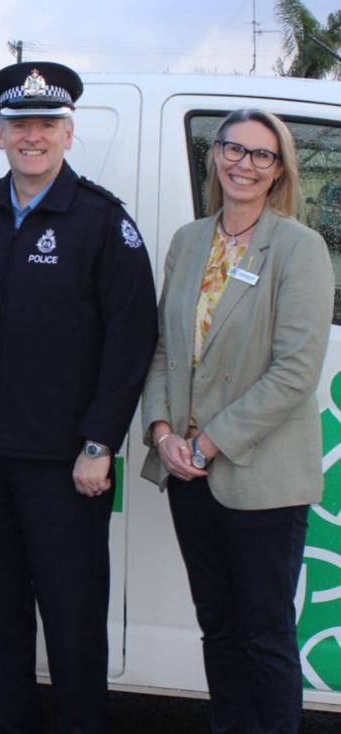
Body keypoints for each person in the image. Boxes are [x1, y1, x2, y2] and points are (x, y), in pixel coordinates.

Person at [0, 62, 158, 733]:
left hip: (66, 466)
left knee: (71, 623)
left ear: (67, 134)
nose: (30, 137)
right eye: (18, 126)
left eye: (44, 126)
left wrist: (100, 442)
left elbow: (131, 341)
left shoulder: (99, 220)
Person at [141, 108, 333, 733]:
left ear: (279, 171)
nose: (244, 164)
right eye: (234, 149)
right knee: (218, 626)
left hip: (260, 477)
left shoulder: (300, 249)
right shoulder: (189, 241)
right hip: (188, 473)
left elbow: (295, 372)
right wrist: (163, 433)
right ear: (215, 155)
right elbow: (167, 350)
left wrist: (211, 442)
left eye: (261, 155)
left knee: (264, 632)